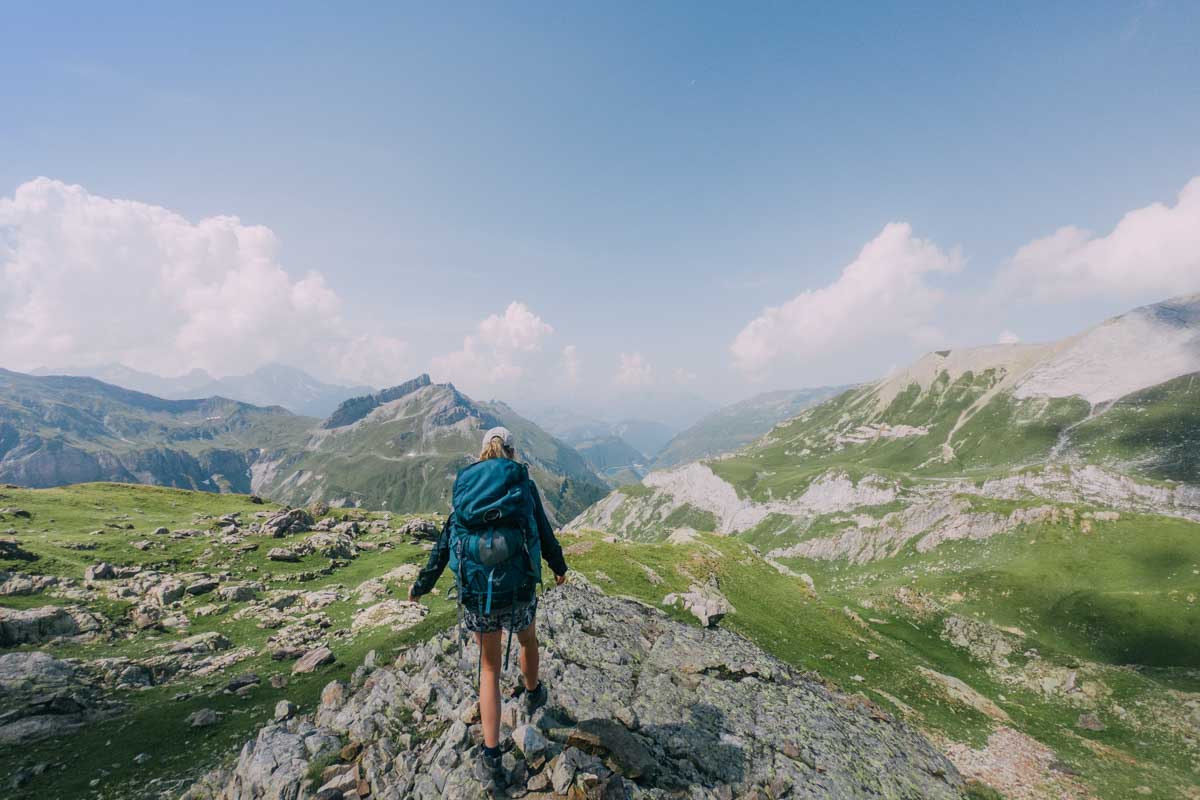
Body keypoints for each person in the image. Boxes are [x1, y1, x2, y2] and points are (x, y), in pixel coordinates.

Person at [408, 425, 569, 794]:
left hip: (479, 594)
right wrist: (559, 568)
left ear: (483, 452)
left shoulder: (467, 491)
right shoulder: (523, 487)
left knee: (489, 669)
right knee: (528, 641)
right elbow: (543, 532)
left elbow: (446, 542)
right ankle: (532, 692)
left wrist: (421, 586)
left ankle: (491, 755)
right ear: (511, 452)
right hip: (519, 588)